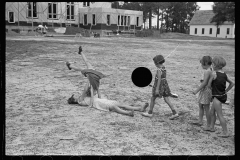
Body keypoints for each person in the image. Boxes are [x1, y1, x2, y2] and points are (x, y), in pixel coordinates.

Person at [67, 77, 146, 117]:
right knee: (114, 107)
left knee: (121, 105)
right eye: (75, 96)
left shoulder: (84, 98)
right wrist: (89, 79)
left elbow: (97, 96)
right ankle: (128, 113)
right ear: (74, 99)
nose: (77, 95)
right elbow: (86, 92)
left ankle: (139, 109)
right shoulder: (80, 100)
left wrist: (96, 88)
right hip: (98, 103)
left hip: (100, 101)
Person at [141, 55, 179, 120]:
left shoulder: (159, 70)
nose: (154, 64)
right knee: (167, 99)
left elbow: (159, 80)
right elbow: (163, 78)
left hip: (159, 87)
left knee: (153, 98)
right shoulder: (164, 67)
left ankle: (150, 113)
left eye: (154, 63)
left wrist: (157, 89)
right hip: (165, 86)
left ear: (157, 63)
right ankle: (174, 113)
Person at [205, 56, 234, 138]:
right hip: (222, 96)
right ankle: (211, 127)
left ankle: (225, 132)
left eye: (212, 64)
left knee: (220, 115)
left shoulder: (214, 74)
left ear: (214, 65)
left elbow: (208, 86)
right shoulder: (224, 74)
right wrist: (226, 91)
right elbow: (232, 83)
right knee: (211, 112)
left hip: (217, 97)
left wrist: (211, 78)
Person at [192, 56, 213, 129]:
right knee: (201, 105)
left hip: (206, 90)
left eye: (202, 64)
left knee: (207, 108)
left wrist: (196, 90)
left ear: (206, 63)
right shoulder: (210, 69)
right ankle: (200, 121)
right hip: (204, 90)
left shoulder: (207, 71)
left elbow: (204, 83)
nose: (201, 66)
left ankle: (209, 125)